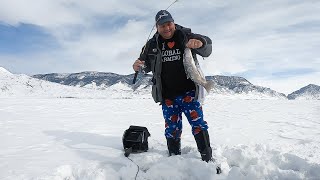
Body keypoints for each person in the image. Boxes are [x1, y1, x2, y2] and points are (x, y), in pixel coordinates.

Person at [132, 10, 213, 162]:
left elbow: (207, 48)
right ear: (157, 27)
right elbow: (145, 66)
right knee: (172, 129)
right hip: (167, 96)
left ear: (173, 22)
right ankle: (174, 160)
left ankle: (207, 158)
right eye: (162, 25)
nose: (166, 28)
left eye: (168, 24)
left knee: (198, 124)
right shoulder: (151, 45)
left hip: (189, 92)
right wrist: (138, 67)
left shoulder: (185, 35)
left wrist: (201, 43)